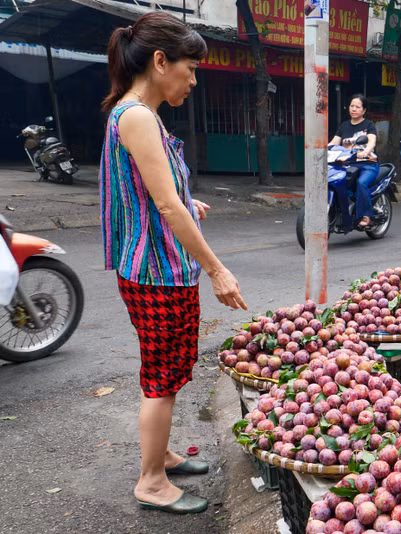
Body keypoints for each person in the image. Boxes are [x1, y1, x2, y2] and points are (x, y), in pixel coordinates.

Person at [100, 12, 247, 514]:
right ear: (160, 61)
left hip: (157, 269)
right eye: (191, 66)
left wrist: (189, 200)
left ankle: (159, 454)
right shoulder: (137, 115)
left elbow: (153, 193)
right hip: (156, 273)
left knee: (165, 370)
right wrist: (216, 268)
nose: (194, 77)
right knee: (161, 379)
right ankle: (151, 481)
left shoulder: (136, 112)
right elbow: (164, 206)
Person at [330, 95, 379, 228]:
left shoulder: (369, 125)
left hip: (367, 164)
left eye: (358, 107)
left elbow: (371, 141)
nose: (354, 109)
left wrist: (366, 151)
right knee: (336, 182)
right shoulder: (344, 126)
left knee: (361, 183)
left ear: (363, 111)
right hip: (348, 164)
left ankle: (366, 215)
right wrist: (320, 150)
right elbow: (334, 142)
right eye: (352, 106)